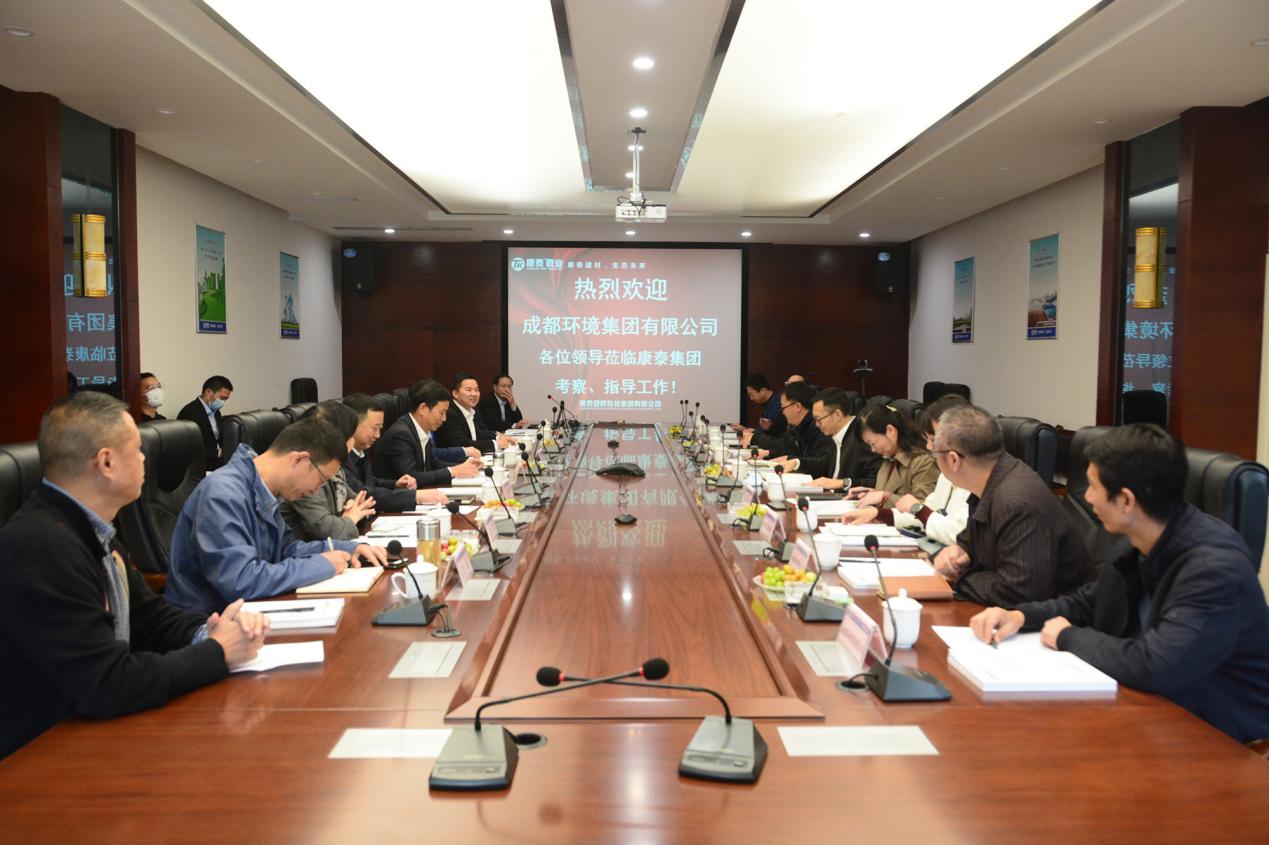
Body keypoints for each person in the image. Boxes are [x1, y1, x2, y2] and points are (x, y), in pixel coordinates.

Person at [0, 392, 269, 759]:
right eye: (137, 450)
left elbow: (147, 617)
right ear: (106, 462)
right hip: (38, 755)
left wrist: (212, 629)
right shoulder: (41, 547)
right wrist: (217, 652)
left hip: (90, 734)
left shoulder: (92, 530)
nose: (145, 459)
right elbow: (107, 682)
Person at [970, 424, 1269, 744]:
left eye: (1093, 486)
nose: (1086, 497)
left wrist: (1067, 637)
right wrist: (1020, 616)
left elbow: (1156, 665)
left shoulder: (1214, 570)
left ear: (1126, 500)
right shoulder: (1139, 541)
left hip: (1217, 735)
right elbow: (1087, 602)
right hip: (1148, 707)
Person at [165, 417, 388, 615]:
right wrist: (321, 565)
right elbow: (241, 581)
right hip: (208, 623)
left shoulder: (265, 490)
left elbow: (285, 550)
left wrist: (346, 549)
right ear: (299, 460)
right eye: (320, 481)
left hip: (251, 612)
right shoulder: (223, 494)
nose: (315, 491)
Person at [930, 404, 1093, 605]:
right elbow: (972, 542)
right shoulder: (993, 480)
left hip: (1054, 618)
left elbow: (1018, 591)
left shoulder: (1015, 502)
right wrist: (959, 550)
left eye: (935, 453)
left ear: (953, 460)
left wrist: (958, 578)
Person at [839, 394, 971, 545]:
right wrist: (878, 513)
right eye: (928, 439)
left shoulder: (974, 481)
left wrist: (913, 507)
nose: (929, 446)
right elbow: (927, 511)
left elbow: (957, 532)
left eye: (933, 440)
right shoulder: (946, 476)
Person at [279, 401, 379, 541]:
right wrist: (350, 518)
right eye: (351, 435)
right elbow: (327, 530)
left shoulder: (333, 470)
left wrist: (353, 512)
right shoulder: (306, 471)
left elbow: (362, 504)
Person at [342, 393, 453, 511]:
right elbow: (363, 493)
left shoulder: (361, 451)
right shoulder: (341, 458)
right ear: (353, 425)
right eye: (374, 428)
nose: (378, 435)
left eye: (380, 429)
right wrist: (415, 496)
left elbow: (370, 482)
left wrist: (395, 484)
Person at [374, 380, 484, 487]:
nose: (444, 418)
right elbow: (412, 476)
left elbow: (432, 463)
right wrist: (452, 471)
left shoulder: (419, 429)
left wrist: (463, 466)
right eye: (442, 412)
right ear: (423, 409)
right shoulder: (401, 434)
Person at [844, 402, 939, 508]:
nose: (873, 450)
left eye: (872, 443)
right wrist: (870, 494)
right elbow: (888, 492)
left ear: (890, 431)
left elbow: (923, 507)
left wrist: (884, 497)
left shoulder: (923, 462)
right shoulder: (889, 458)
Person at [786, 387, 879, 489]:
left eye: (819, 419)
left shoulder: (862, 437)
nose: (817, 425)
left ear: (837, 414)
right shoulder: (836, 434)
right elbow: (825, 463)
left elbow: (876, 482)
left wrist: (842, 483)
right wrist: (797, 463)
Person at [743, 380, 833, 469]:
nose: (783, 413)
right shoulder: (798, 426)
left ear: (798, 406)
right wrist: (768, 453)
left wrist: (793, 460)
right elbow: (788, 447)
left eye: (783, 408)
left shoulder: (818, 426)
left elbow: (819, 463)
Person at [436, 371, 512, 453]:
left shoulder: (473, 409)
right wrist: (496, 444)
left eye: (476, 390)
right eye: (469, 390)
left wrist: (498, 436)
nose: (474, 394)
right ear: (455, 394)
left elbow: (478, 433)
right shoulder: (449, 413)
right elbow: (462, 444)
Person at [177, 374, 233, 469]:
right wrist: (218, 453)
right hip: (200, 467)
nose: (223, 402)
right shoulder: (189, 412)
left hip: (218, 464)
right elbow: (188, 448)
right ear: (208, 392)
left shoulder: (216, 412)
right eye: (222, 398)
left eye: (225, 399)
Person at [731, 374, 786, 438]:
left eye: (751, 394)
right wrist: (745, 429)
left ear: (762, 390)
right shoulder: (770, 402)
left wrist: (748, 431)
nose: (751, 398)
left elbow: (771, 433)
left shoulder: (777, 403)